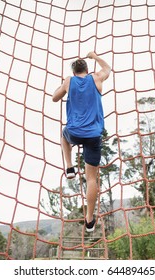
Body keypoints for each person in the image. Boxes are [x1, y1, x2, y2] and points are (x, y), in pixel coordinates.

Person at [52, 51, 111, 232]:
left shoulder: (70, 81)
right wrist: (95, 56)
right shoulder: (96, 78)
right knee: (91, 178)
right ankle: (90, 219)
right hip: (93, 135)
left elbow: (54, 97)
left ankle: (69, 167)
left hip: (75, 132)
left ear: (74, 70)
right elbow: (107, 68)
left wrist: (64, 85)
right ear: (86, 68)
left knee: (64, 134)